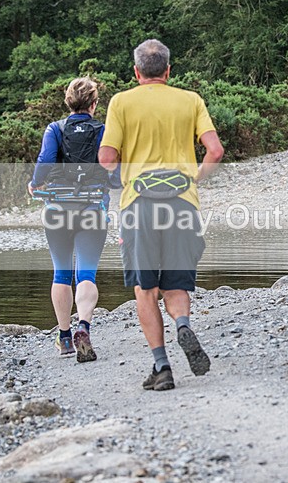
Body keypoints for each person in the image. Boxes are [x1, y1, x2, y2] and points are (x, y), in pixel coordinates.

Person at [98, 39, 224, 392]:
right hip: (183, 202)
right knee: (177, 283)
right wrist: (195, 178)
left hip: (138, 203)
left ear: (136, 72)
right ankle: (183, 323)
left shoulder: (121, 102)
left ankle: (162, 366)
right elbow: (214, 150)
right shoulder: (190, 100)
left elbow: (106, 158)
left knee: (145, 287)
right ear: (168, 71)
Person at [29, 77, 115, 363]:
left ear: (68, 102)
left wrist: (34, 183)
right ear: (94, 104)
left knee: (61, 274)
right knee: (86, 274)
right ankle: (84, 326)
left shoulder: (55, 129)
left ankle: (64, 338)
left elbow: (45, 160)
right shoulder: (104, 130)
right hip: (92, 209)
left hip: (56, 210)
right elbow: (113, 173)